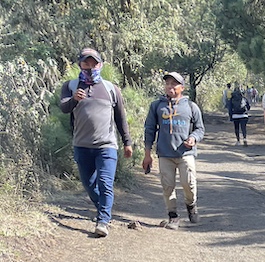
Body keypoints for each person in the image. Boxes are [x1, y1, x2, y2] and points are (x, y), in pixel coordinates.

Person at [58, 48, 134, 238]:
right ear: (80, 64)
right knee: (89, 185)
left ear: (100, 64)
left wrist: (127, 142)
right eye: (86, 63)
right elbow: (64, 108)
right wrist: (75, 99)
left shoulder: (111, 89)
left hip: (106, 146)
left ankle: (103, 221)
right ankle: (103, 208)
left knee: (105, 182)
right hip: (82, 145)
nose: (90, 67)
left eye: (94, 63)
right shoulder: (70, 86)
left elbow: (120, 118)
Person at [141, 72, 206, 230]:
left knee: (188, 184)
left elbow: (200, 129)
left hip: (186, 153)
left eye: (174, 84)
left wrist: (193, 138)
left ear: (181, 88)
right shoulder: (157, 106)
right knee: (167, 186)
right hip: (164, 154)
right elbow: (149, 129)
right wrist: (147, 154)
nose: (170, 87)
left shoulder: (191, 106)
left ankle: (191, 206)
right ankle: (173, 216)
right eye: (167, 84)